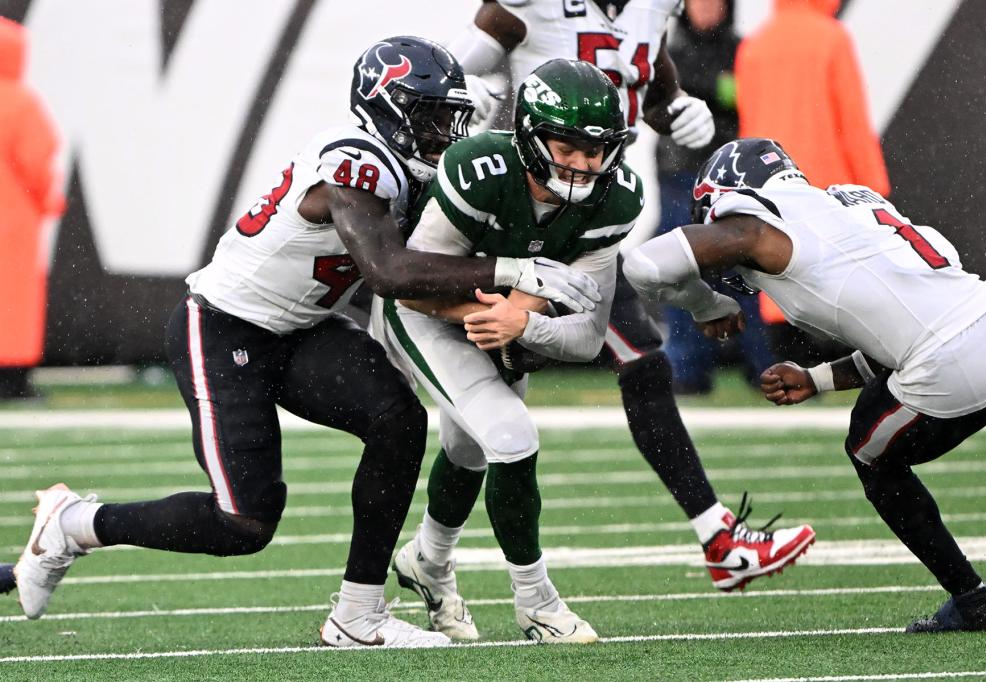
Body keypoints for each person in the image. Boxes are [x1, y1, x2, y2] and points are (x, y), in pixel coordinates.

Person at [14, 36, 600, 649]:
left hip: (301, 329)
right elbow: (389, 273)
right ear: (387, 109)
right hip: (224, 327)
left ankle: (358, 615)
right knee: (243, 522)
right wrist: (512, 273)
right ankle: (76, 524)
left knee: (398, 420)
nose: (443, 133)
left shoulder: (414, 169)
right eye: (431, 118)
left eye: (450, 118)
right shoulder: (354, 161)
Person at [435, 0, 814, 599]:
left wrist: (675, 107)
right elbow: (444, 70)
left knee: (635, 365)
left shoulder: (650, 7)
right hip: (518, 220)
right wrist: (465, 96)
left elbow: (644, 77)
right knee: (470, 428)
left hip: (586, 224)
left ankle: (719, 539)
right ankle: (423, 559)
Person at [622, 137, 986, 633]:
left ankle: (973, 600)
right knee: (889, 404)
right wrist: (816, 379)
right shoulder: (849, 204)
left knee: (870, 453)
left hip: (949, 361)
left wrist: (706, 305)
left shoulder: (757, 226)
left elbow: (641, 266)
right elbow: (898, 328)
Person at [375, 59, 631, 644]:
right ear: (530, 136)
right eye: (567, 146)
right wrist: (492, 312)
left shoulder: (617, 199)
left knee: (469, 449)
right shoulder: (480, 171)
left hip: (502, 321)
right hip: (427, 311)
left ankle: (428, 562)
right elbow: (410, 285)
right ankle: (536, 602)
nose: (583, 163)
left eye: (595, 150)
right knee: (512, 436)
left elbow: (588, 337)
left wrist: (522, 321)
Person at [654, 0, 776, 394]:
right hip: (678, 176)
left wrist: (698, 92)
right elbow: (663, 101)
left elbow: (744, 98)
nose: (706, 7)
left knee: (749, 271)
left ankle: (764, 368)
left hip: (733, 178)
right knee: (678, 270)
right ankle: (688, 372)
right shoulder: (667, 52)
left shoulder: (743, 49)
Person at [735, 0, 889, 194]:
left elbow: (748, 128)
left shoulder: (753, 45)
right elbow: (852, 122)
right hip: (824, 187)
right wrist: (874, 188)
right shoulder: (832, 39)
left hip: (768, 188)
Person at [0, 17, 65, 401]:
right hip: (14, 222)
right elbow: (37, 160)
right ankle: (11, 381)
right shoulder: (20, 101)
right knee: (13, 301)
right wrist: (46, 200)